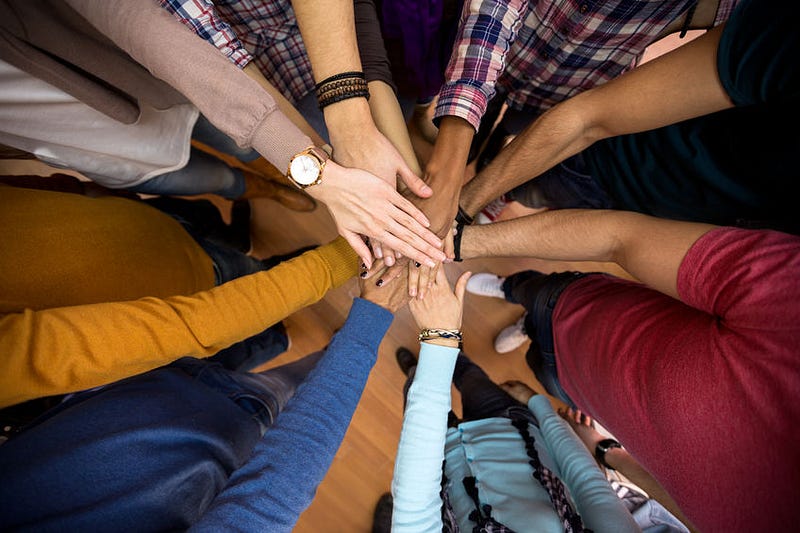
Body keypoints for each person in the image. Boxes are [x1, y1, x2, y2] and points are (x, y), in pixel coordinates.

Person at [0, 0, 446, 269]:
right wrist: (324, 168)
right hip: (190, 76)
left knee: (247, 142)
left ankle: (283, 180)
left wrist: (354, 141)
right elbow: (173, 32)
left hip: (281, 55)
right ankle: (272, 185)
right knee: (235, 144)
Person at [450, 207, 800, 531]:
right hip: (577, 308)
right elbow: (623, 238)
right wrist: (459, 241)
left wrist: (606, 451)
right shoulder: (790, 313)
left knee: (535, 364)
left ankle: (527, 326)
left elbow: (676, 505)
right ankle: (507, 288)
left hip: (577, 394)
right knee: (530, 289)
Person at [0, 269, 407, 531]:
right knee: (291, 385)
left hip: (138, 384)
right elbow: (269, 497)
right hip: (230, 421)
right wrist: (365, 325)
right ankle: (325, 353)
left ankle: (304, 348)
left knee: (264, 364)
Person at [0, 177, 363, 409]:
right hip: (194, 283)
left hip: (135, 220)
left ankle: (249, 250)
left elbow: (29, 189)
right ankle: (272, 284)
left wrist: (95, 193)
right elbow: (189, 326)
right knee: (251, 275)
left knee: (205, 223)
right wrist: (349, 253)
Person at [458, 0, 799, 235]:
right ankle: (480, 156)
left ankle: (492, 170)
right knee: (495, 119)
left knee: (520, 140)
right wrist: (460, 193)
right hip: (537, 70)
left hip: (577, 83)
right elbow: (589, 119)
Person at [386, 267, 677, 532]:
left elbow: (413, 514)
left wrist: (438, 343)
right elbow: (585, 479)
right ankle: (453, 355)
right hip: (508, 427)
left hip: (440, 467)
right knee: (472, 378)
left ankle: (420, 367)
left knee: (415, 387)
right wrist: (538, 404)